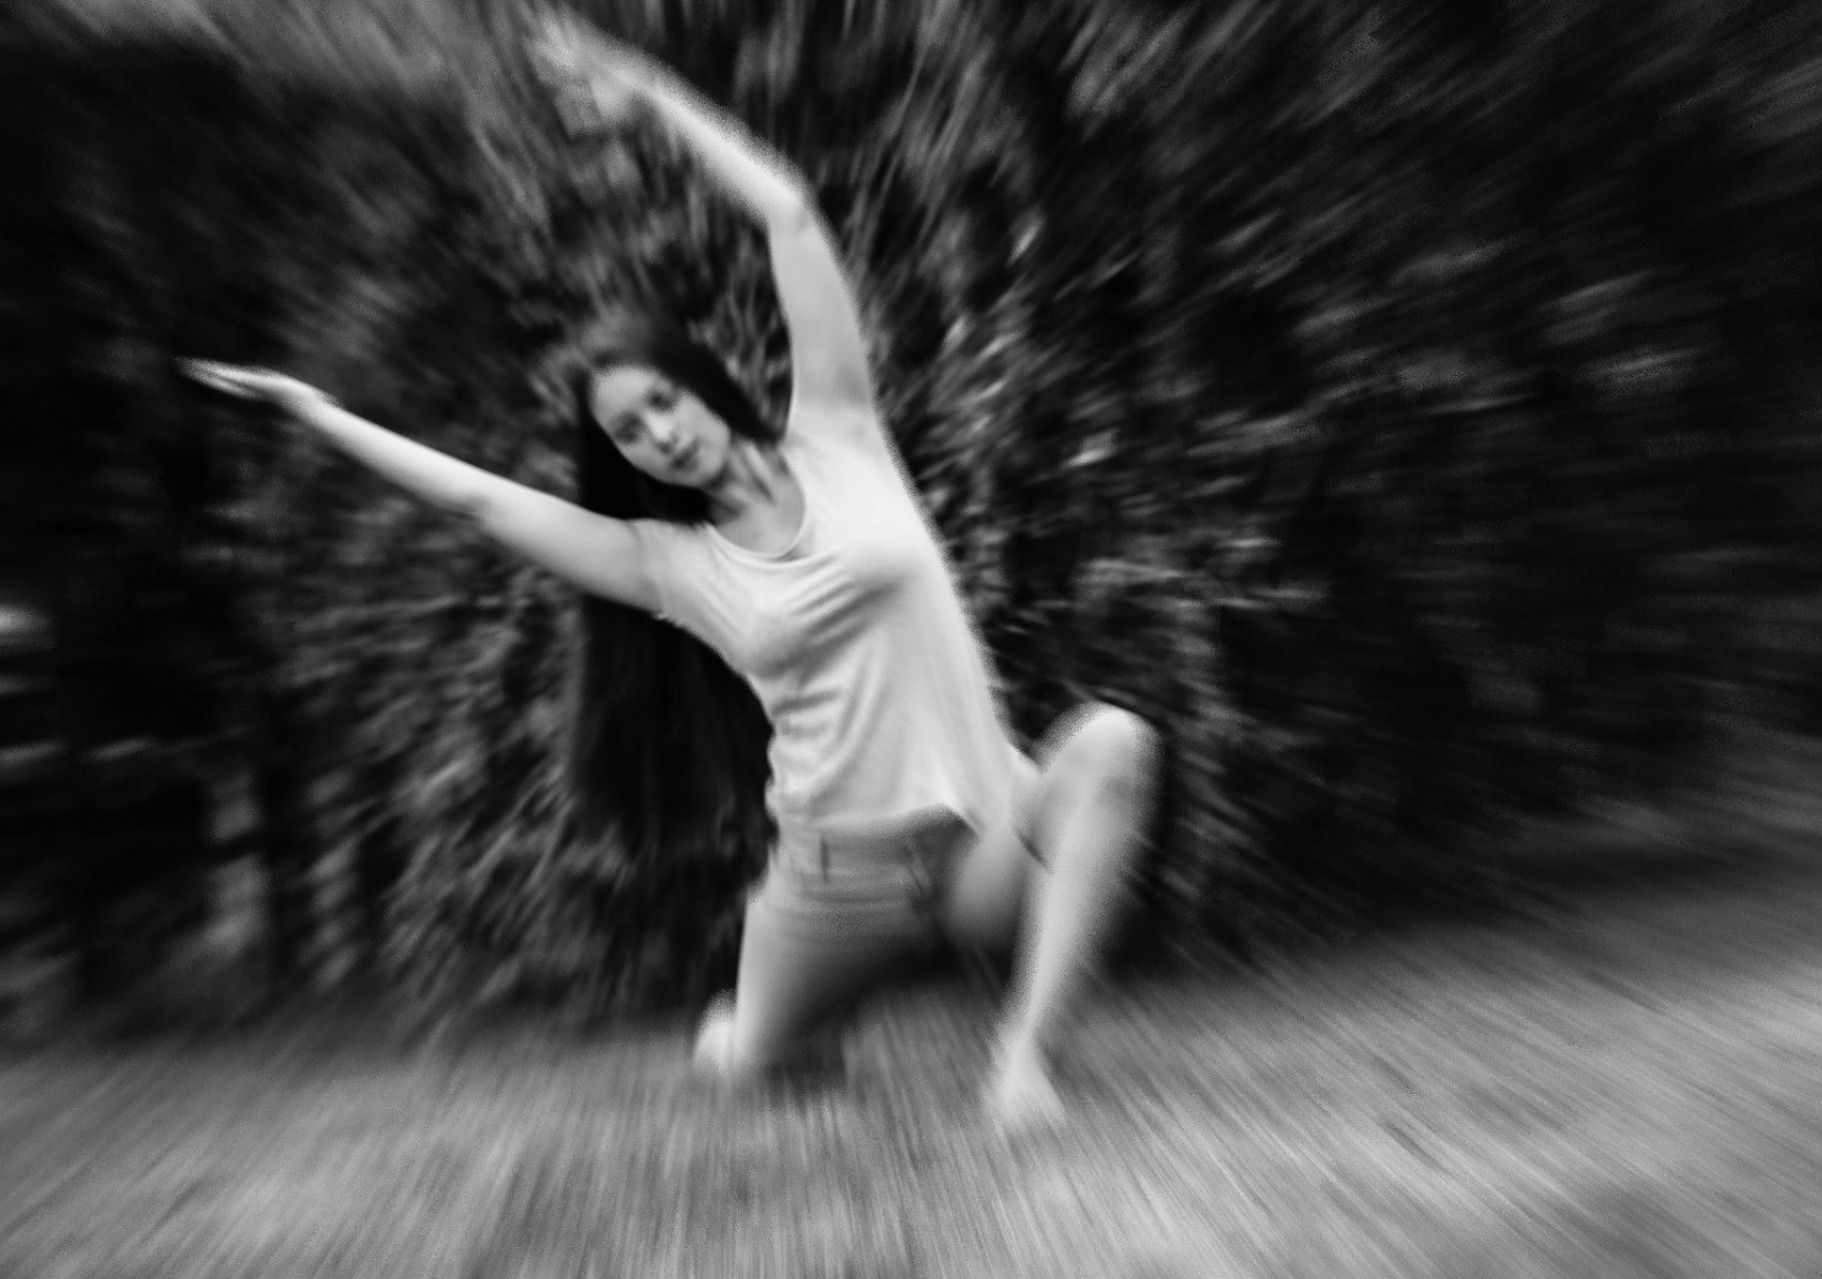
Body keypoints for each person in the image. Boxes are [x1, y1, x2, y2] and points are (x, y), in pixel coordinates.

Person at [184, 10, 1159, 1128]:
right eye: (631, 432)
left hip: (984, 830)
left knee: (1114, 747)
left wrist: (646, 97)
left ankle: (1024, 1058)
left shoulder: (839, 431)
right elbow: (478, 499)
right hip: (843, 881)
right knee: (757, 1063)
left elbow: (789, 213)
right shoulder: (669, 564)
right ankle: (765, 1019)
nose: (659, 433)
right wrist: (319, 415)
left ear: (700, 382)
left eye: (662, 401)